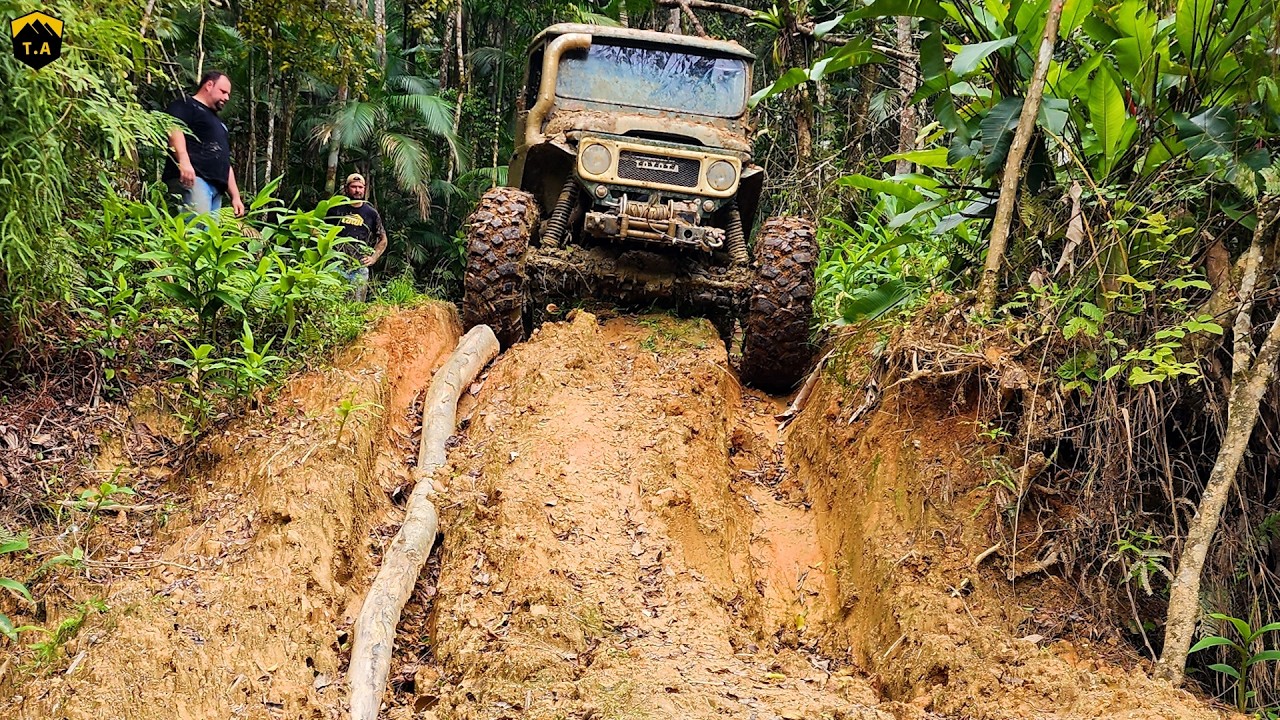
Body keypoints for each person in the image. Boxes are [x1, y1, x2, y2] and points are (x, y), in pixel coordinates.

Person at [162, 70, 245, 217]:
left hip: (216, 189)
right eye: (223, 91)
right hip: (193, 180)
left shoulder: (220, 124)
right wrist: (184, 161)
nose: (226, 97)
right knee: (194, 231)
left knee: (208, 237)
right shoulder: (186, 105)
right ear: (209, 85)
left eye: (228, 94)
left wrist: (235, 196)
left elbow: (224, 160)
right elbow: (174, 129)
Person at [326, 173, 388, 301]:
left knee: (357, 305)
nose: (357, 190)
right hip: (337, 264)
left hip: (359, 266)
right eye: (353, 187)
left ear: (364, 188)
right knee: (334, 303)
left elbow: (383, 239)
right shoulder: (335, 209)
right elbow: (321, 232)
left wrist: (373, 257)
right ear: (347, 188)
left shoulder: (371, 213)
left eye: (360, 187)